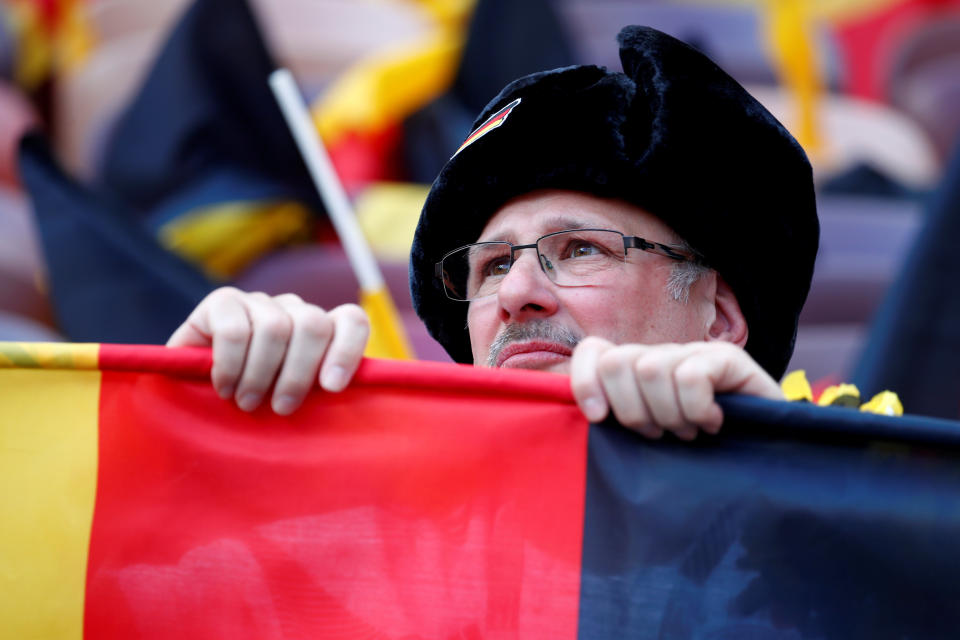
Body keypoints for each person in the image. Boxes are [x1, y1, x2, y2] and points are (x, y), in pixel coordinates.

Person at [168, 26, 819, 439]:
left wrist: (778, 465)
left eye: (581, 249)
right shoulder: (387, 495)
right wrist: (197, 415)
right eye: (493, 266)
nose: (517, 294)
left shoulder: (852, 501)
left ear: (718, 320)